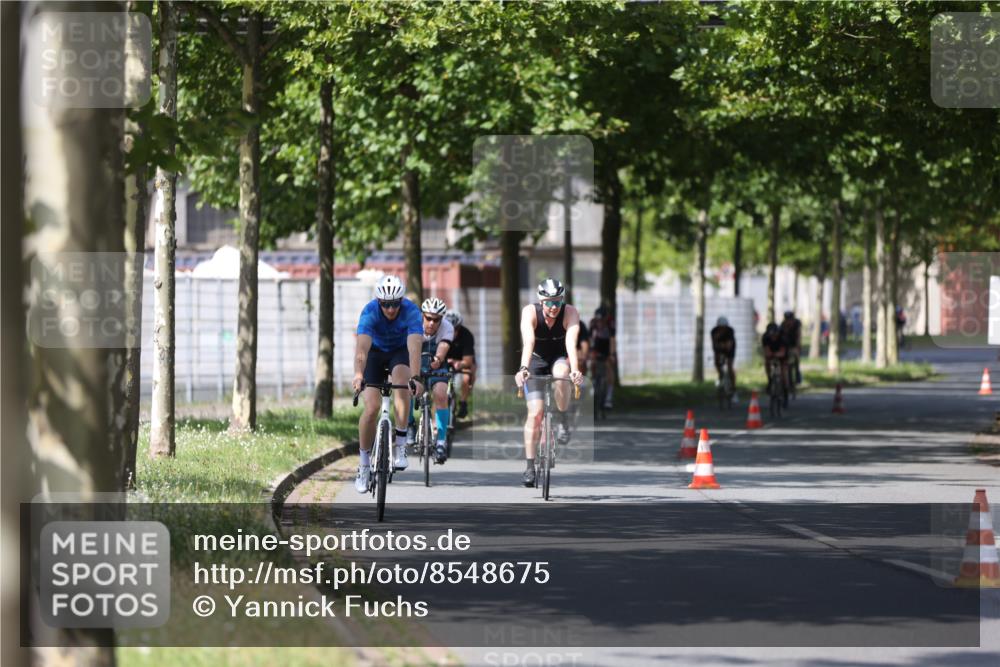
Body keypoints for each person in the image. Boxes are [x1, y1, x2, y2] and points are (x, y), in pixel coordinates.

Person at [352, 275, 424, 493]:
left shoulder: (411, 311)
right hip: (375, 354)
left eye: (394, 304)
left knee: (402, 383)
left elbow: (414, 347)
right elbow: (362, 349)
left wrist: (416, 377)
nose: (391, 309)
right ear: (379, 302)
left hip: (399, 353)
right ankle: (364, 465)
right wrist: (358, 374)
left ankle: (401, 445)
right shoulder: (370, 311)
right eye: (386, 304)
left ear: (401, 301)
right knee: (372, 407)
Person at [514, 279, 584, 487]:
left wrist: (575, 370)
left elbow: (571, 343)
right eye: (549, 303)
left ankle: (562, 419)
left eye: (557, 302)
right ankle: (529, 466)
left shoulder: (570, 313)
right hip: (535, 359)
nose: (554, 307)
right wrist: (524, 369)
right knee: (535, 414)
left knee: (562, 373)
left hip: (558, 358)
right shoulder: (530, 312)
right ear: (541, 301)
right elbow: (529, 342)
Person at [415, 297, 453, 464]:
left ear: (441, 319)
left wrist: (437, 359)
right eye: (428, 318)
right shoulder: (414, 324)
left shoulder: (447, 327)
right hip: (416, 359)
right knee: (408, 388)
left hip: (437, 363)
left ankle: (440, 442)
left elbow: (443, 346)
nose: (431, 323)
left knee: (440, 394)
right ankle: (409, 426)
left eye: (436, 319)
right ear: (422, 315)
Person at [445, 309, 477, 419]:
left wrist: (458, 363)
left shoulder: (467, 335)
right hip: (445, 360)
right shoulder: (440, 333)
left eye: (456, 329)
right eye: (450, 328)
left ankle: (463, 402)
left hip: (462, 360)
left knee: (467, 377)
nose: (453, 332)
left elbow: (468, 361)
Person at [589, 305, 616, 409]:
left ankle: (609, 396)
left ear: (606, 318)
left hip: (608, 345)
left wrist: (612, 355)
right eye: (598, 320)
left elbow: (612, 340)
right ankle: (594, 380)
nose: (600, 323)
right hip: (598, 343)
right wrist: (590, 352)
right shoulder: (593, 323)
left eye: (602, 321)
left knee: (609, 366)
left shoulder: (610, 322)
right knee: (592, 362)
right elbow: (590, 339)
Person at [762, 322, 790, 405]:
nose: (773, 337)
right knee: (767, 363)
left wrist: (775, 354)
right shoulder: (765, 338)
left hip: (783, 355)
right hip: (772, 353)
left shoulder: (783, 338)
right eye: (771, 335)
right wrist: (770, 355)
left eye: (775, 335)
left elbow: (783, 352)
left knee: (784, 374)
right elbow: (766, 350)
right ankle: (770, 380)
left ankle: (785, 394)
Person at [710, 316, 737, 389]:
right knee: (717, 362)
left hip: (730, 349)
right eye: (720, 328)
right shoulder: (714, 331)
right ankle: (721, 375)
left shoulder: (730, 331)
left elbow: (729, 345)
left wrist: (724, 345)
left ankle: (733, 386)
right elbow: (714, 344)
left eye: (724, 328)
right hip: (719, 349)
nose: (722, 329)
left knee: (730, 366)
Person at [780, 310, 803, 385]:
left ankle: (797, 373)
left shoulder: (797, 324)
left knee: (796, 355)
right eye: (787, 319)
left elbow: (799, 336)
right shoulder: (783, 325)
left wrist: (797, 346)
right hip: (786, 343)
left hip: (794, 342)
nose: (788, 321)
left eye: (790, 319)